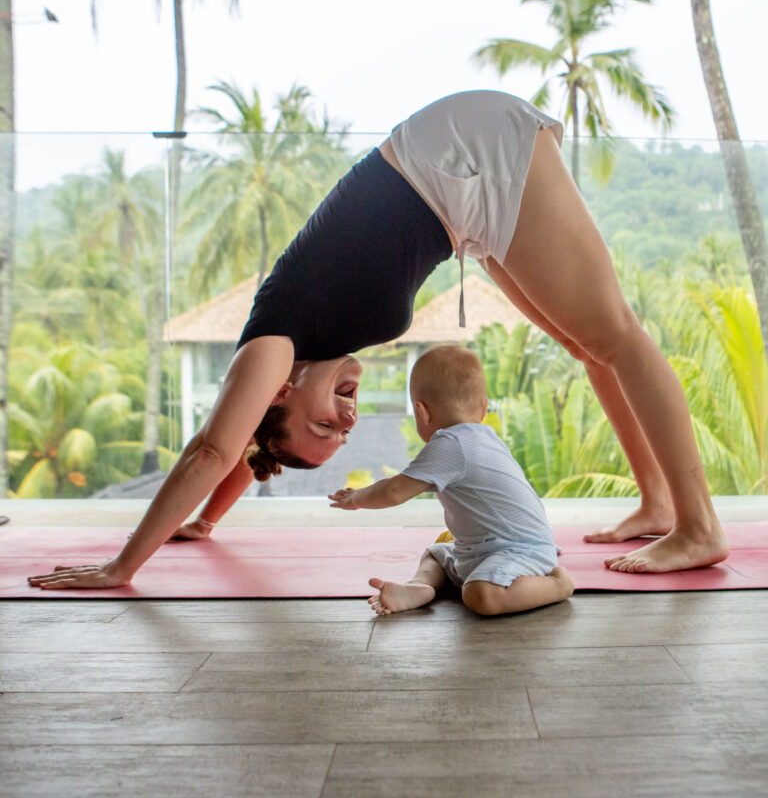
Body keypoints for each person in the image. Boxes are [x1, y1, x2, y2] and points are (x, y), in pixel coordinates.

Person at [28, 90, 728, 591]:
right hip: (460, 201)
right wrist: (205, 522)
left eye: (325, 424)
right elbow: (249, 451)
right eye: (341, 434)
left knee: (616, 336)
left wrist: (123, 566)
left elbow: (217, 447)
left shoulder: (274, 343)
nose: (347, 421)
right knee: (591, 344)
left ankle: (698, 526)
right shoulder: (299, 362)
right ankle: (660, 505)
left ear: (278, 392)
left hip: (461, 158)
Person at [329, 346, 574, 616]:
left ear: (421, 412)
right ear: (483, 407)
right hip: (480, 551)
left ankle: (558, 585)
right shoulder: (484, 438)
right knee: (436, 553)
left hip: (519, 551)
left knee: (481, 595)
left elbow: (395, 490)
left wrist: (357, 498)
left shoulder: (451, 444)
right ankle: (420, 585)